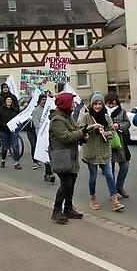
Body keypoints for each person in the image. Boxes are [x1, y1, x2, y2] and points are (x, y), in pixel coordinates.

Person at [79, 92, 124, 212]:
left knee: (109, 175)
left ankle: (115, 200)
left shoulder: (106, 117)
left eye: (100, 104)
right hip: (91, 152)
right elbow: (81, 130)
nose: (98, 106)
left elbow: (112, 131)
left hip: (104, 151)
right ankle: (93, 198)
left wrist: (106, 133)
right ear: (92, 104)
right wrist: (91, 128)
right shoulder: (86, 116)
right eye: (95, 104)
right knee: (93, 177)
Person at [49, 92, 87, 224]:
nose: (74, 104)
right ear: (66, 103)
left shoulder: (68, 117)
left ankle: (68, 208)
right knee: (66, 184)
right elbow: (66, 137)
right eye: (72, 102)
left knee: (72, 181)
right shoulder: (57, 119)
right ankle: (56, 211)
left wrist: (86, 131)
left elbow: (75, 130)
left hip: (71, 154)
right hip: (61, 156)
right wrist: (82, 133)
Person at [105, 92, 132, 198]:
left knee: (125, 165)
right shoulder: (102, 112)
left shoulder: (122, 112)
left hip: (120, 142)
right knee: (109, 170)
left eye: (113, 104)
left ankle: (119, 186)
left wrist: (119, 125)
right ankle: (113, 192)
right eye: (109, 104)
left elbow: (128, 123)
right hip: (107, 142)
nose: (111, 106)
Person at [0, 96, 22, 169]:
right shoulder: (0, 110)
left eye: (10, 100)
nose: (9, 101)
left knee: (15, 146)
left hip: (13, 130)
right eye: (7, 100)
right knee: (5, 147)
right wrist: (1, 124)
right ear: (5, 101)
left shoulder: (15, 110)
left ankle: (17, 162)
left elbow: (18, 119)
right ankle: (3, 160)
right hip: (4, 130)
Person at [25, 94, 46, 170]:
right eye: (43, 99)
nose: (44, 101)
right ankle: (35, 161)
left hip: (40, 131)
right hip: (32, 130)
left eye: (45, 99)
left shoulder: (46, 109)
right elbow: (36, 124)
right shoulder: (35, 110)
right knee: (34, 145)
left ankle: (41, 160)